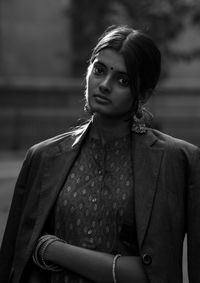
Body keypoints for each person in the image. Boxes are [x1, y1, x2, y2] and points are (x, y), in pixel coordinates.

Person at [0, 25, 200, 283]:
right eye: (99, 70)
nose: (104, 85)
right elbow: (11, 263)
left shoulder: (178, 161)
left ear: (144, 93)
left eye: (123, 80)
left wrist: (52, 249)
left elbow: (153, 270)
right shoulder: (42, 158)